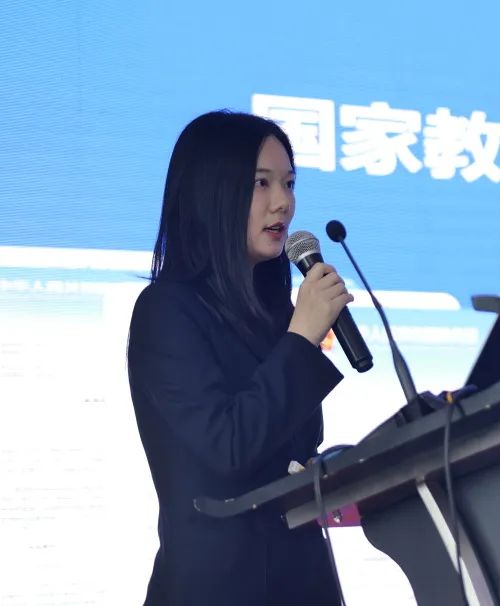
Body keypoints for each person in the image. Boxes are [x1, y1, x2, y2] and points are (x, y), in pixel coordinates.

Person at [127, 110, 352, 605]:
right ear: (212, 192)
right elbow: (227, 449)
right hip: (218, 587)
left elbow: (287, 451)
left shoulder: (273, 314)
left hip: (302, 580)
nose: (283, 202)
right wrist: (301, 338)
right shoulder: (167, 311)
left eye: (289, 183)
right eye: (261, 183)